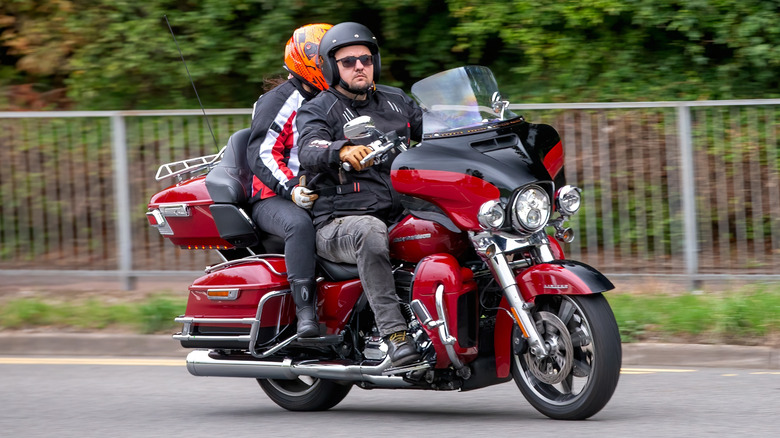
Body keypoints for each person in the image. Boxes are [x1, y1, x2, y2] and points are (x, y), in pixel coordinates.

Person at [296, 22, 424, 366]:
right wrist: (339, 150)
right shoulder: (319, 108)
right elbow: (309, 147)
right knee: (369, 231)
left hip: (400, 211)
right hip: (338, 224)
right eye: (348, 61)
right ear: (331, 67)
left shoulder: (397, 101)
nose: (359, 67)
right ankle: (394, 334)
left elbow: (439, 130)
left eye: (365, 59)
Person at [247, 23, 332, 338]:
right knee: (299, 225)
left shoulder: (331, 96)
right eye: (323, 58)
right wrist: (292, 187)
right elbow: (261, 153)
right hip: (273, 197)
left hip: (320, 190)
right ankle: (305, 310)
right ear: (306, 59)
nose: (330, 64)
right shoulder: (281, 100)